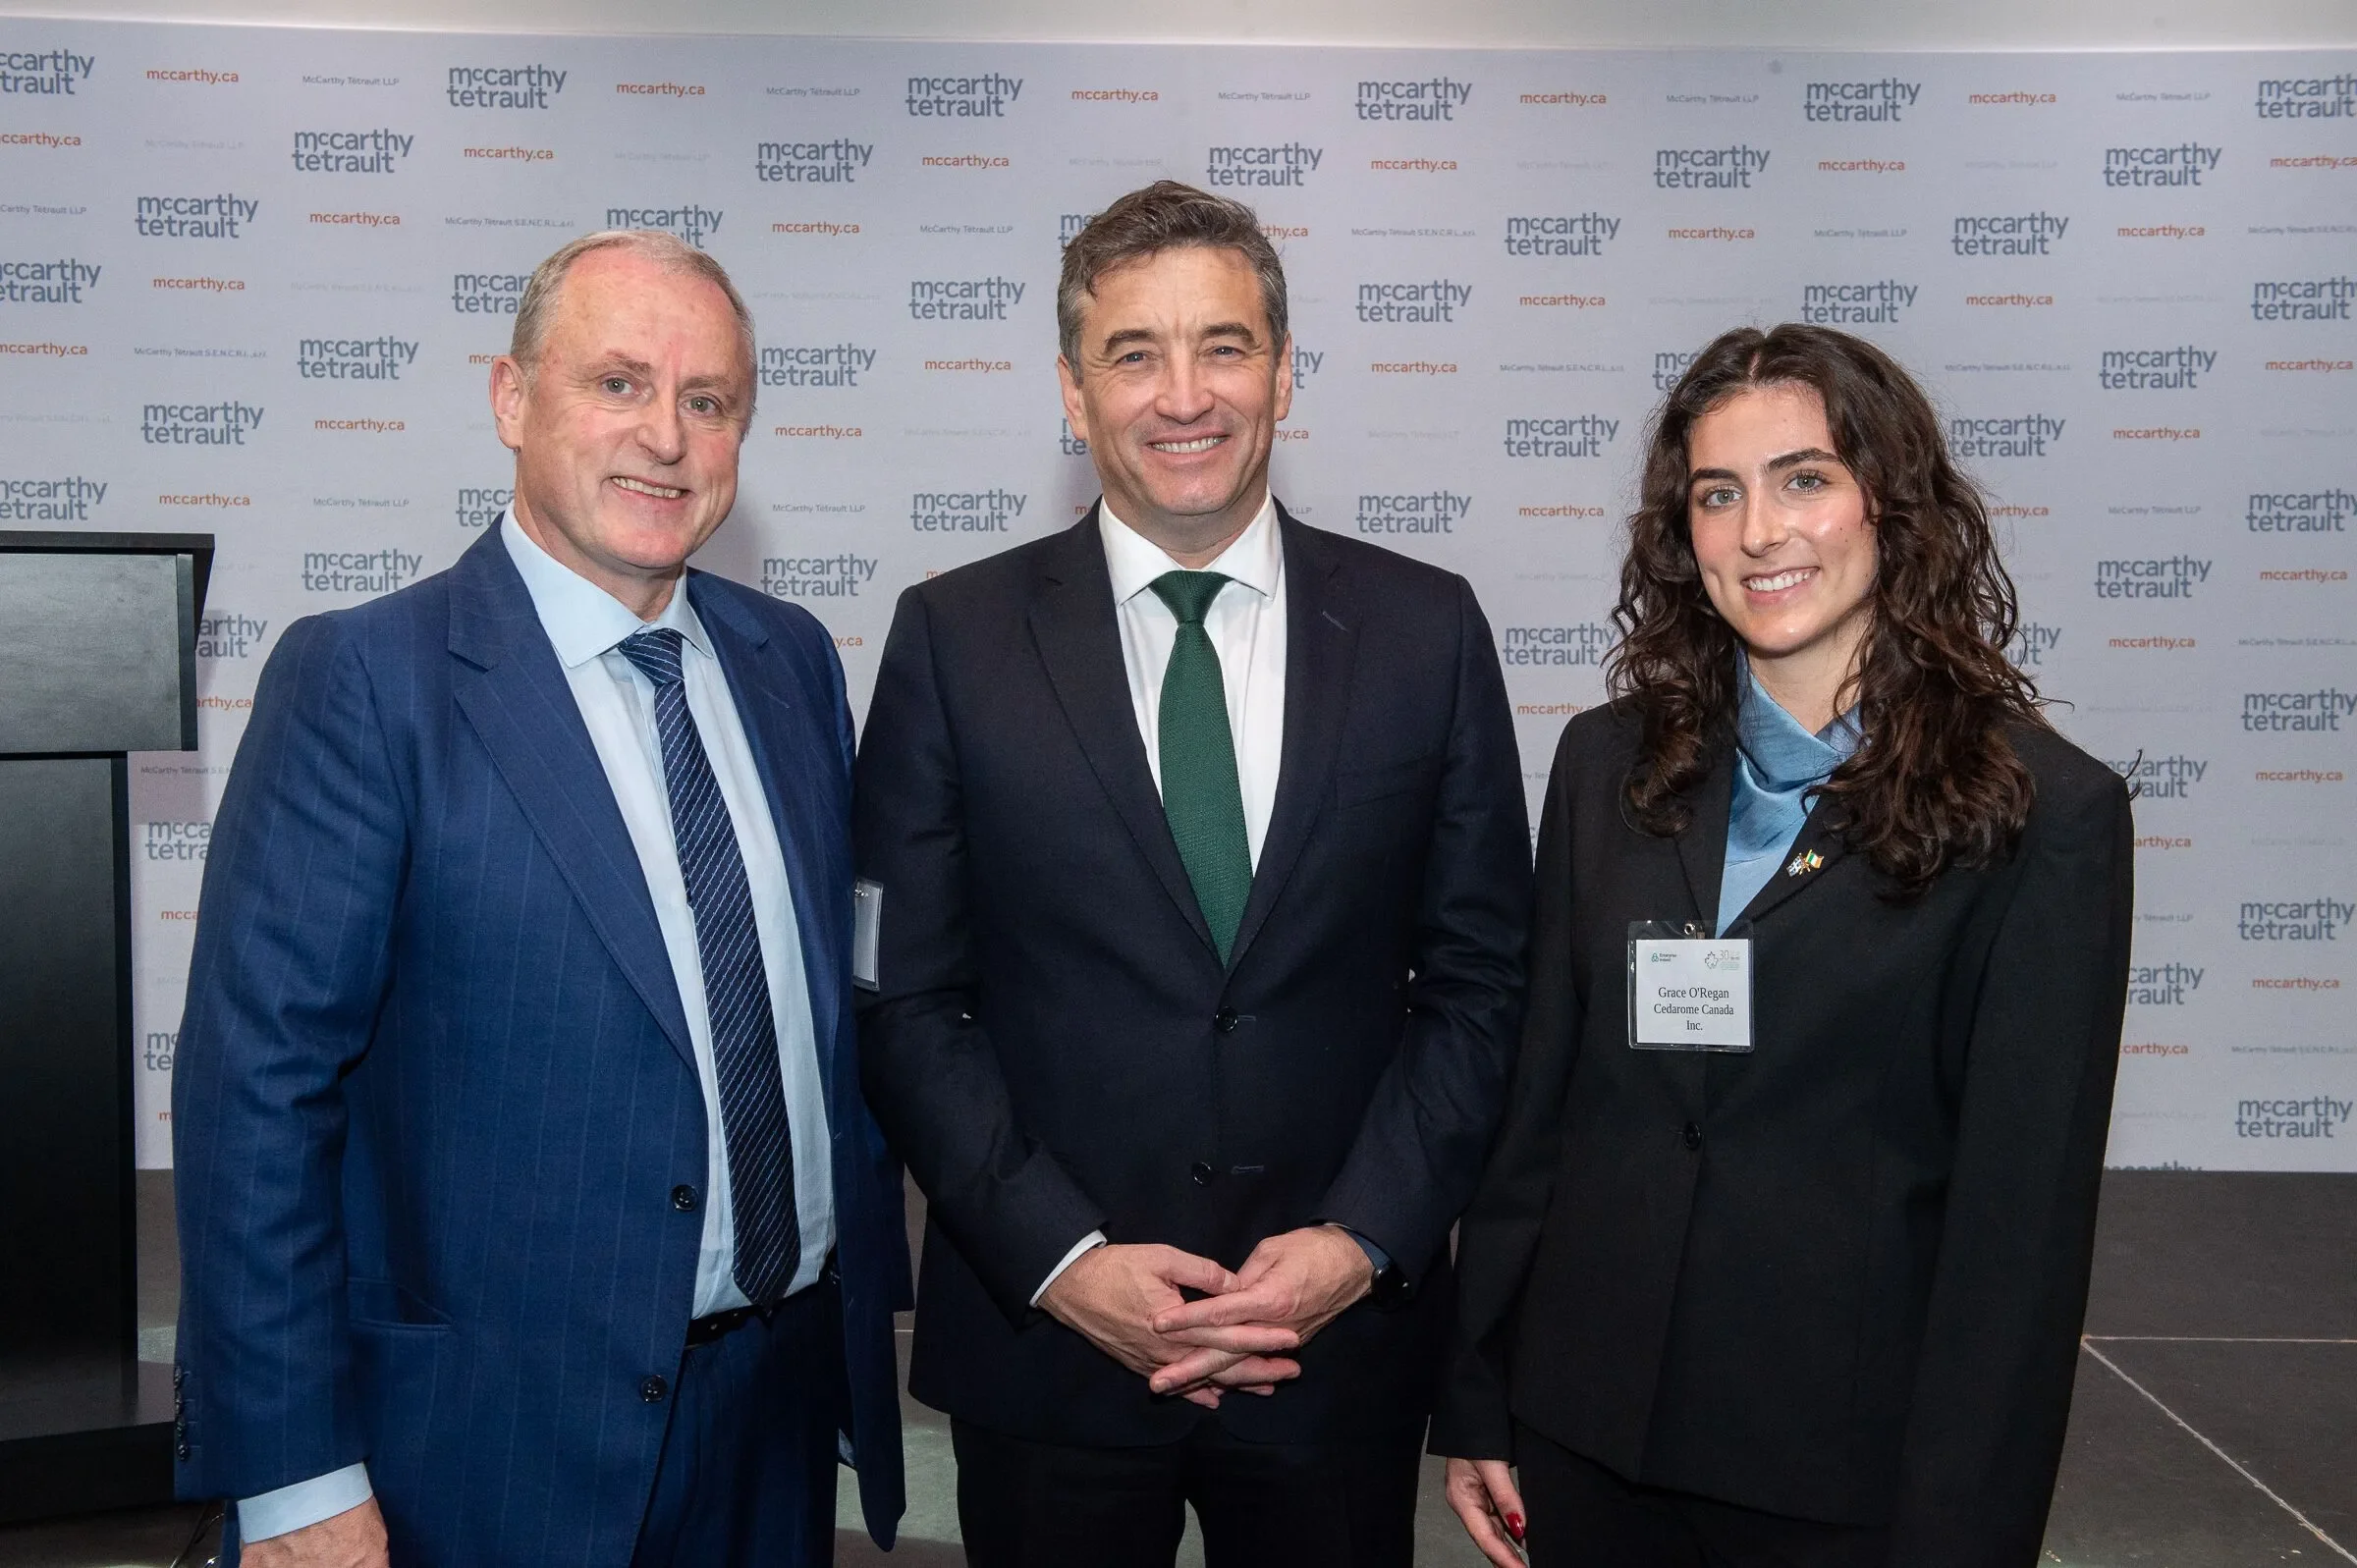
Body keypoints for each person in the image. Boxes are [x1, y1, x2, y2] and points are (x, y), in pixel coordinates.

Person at [171, 230, 906, 1568]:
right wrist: (289, 1477)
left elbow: (818, 1021)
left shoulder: (789, 661)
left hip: (774, 1422)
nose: (666, 438)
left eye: (708, 400)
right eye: (619, 384)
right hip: (482, 1453)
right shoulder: (368, 682)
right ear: (512, 400)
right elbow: (258, 1095)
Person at [852, 180, 1531, 1566]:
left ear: (1283, 373)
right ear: (1070, 388)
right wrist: (1064, 1261)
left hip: (1332, 1358)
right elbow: (903, 1000)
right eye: (1132, 352)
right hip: (1048, 1349)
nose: (1184, 395)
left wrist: (1360, 1241)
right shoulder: (950, 641)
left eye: (1223, 346)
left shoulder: (1426, 633)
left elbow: (1482, 985)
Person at [1436, 323, 2135, 1568]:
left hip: (1841, 1481)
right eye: (1720, 493)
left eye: (1804, 478)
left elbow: (2015, 1250)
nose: (1761, 531)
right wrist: (1481, 1391)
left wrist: (1962, 1532)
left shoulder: (2040, 816)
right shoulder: (1608, 764)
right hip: (1589, 1441)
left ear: (1890, 501)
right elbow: (1539, 1108)